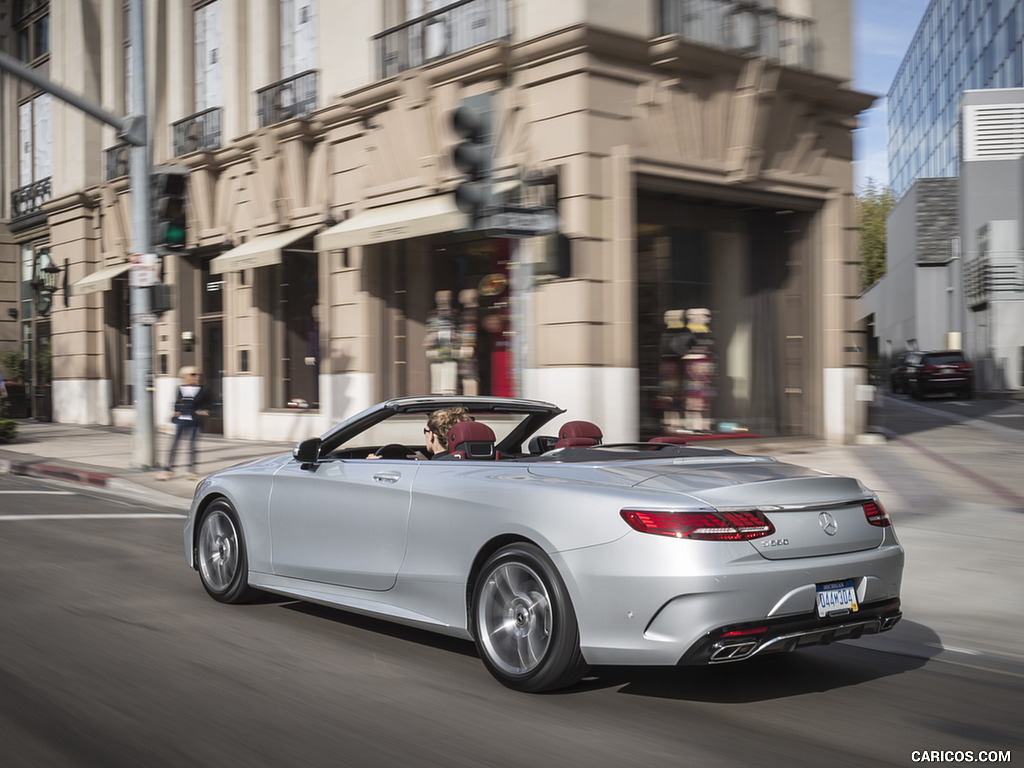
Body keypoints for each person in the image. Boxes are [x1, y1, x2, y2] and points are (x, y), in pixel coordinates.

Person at [158, 367, 213, 480]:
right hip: (181, 420)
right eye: (193, 375)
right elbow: (177, 403)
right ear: (185, 376)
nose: (196, 377)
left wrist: (203, 410)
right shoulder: (180, 389)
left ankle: (191, 471)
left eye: (197, 375)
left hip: (194, 421)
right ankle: (168, 470)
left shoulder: (203, 390)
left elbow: (209, 404)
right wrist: (176, 411)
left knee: (192, 446)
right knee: (174, 445)